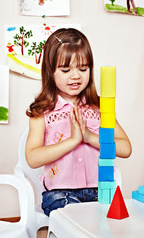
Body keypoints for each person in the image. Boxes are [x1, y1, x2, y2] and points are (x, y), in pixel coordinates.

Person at [25, 28, 132, 216]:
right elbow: (33, 158)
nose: (76, 76)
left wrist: (89, 137)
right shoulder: (42, 112)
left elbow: (125, 149)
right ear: (50, 72)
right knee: (75, 224)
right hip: (59, 194)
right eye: (66, 70)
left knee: (109, 227)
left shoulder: (99, 108)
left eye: (83, 69)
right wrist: (73, 141)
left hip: (99, 191)